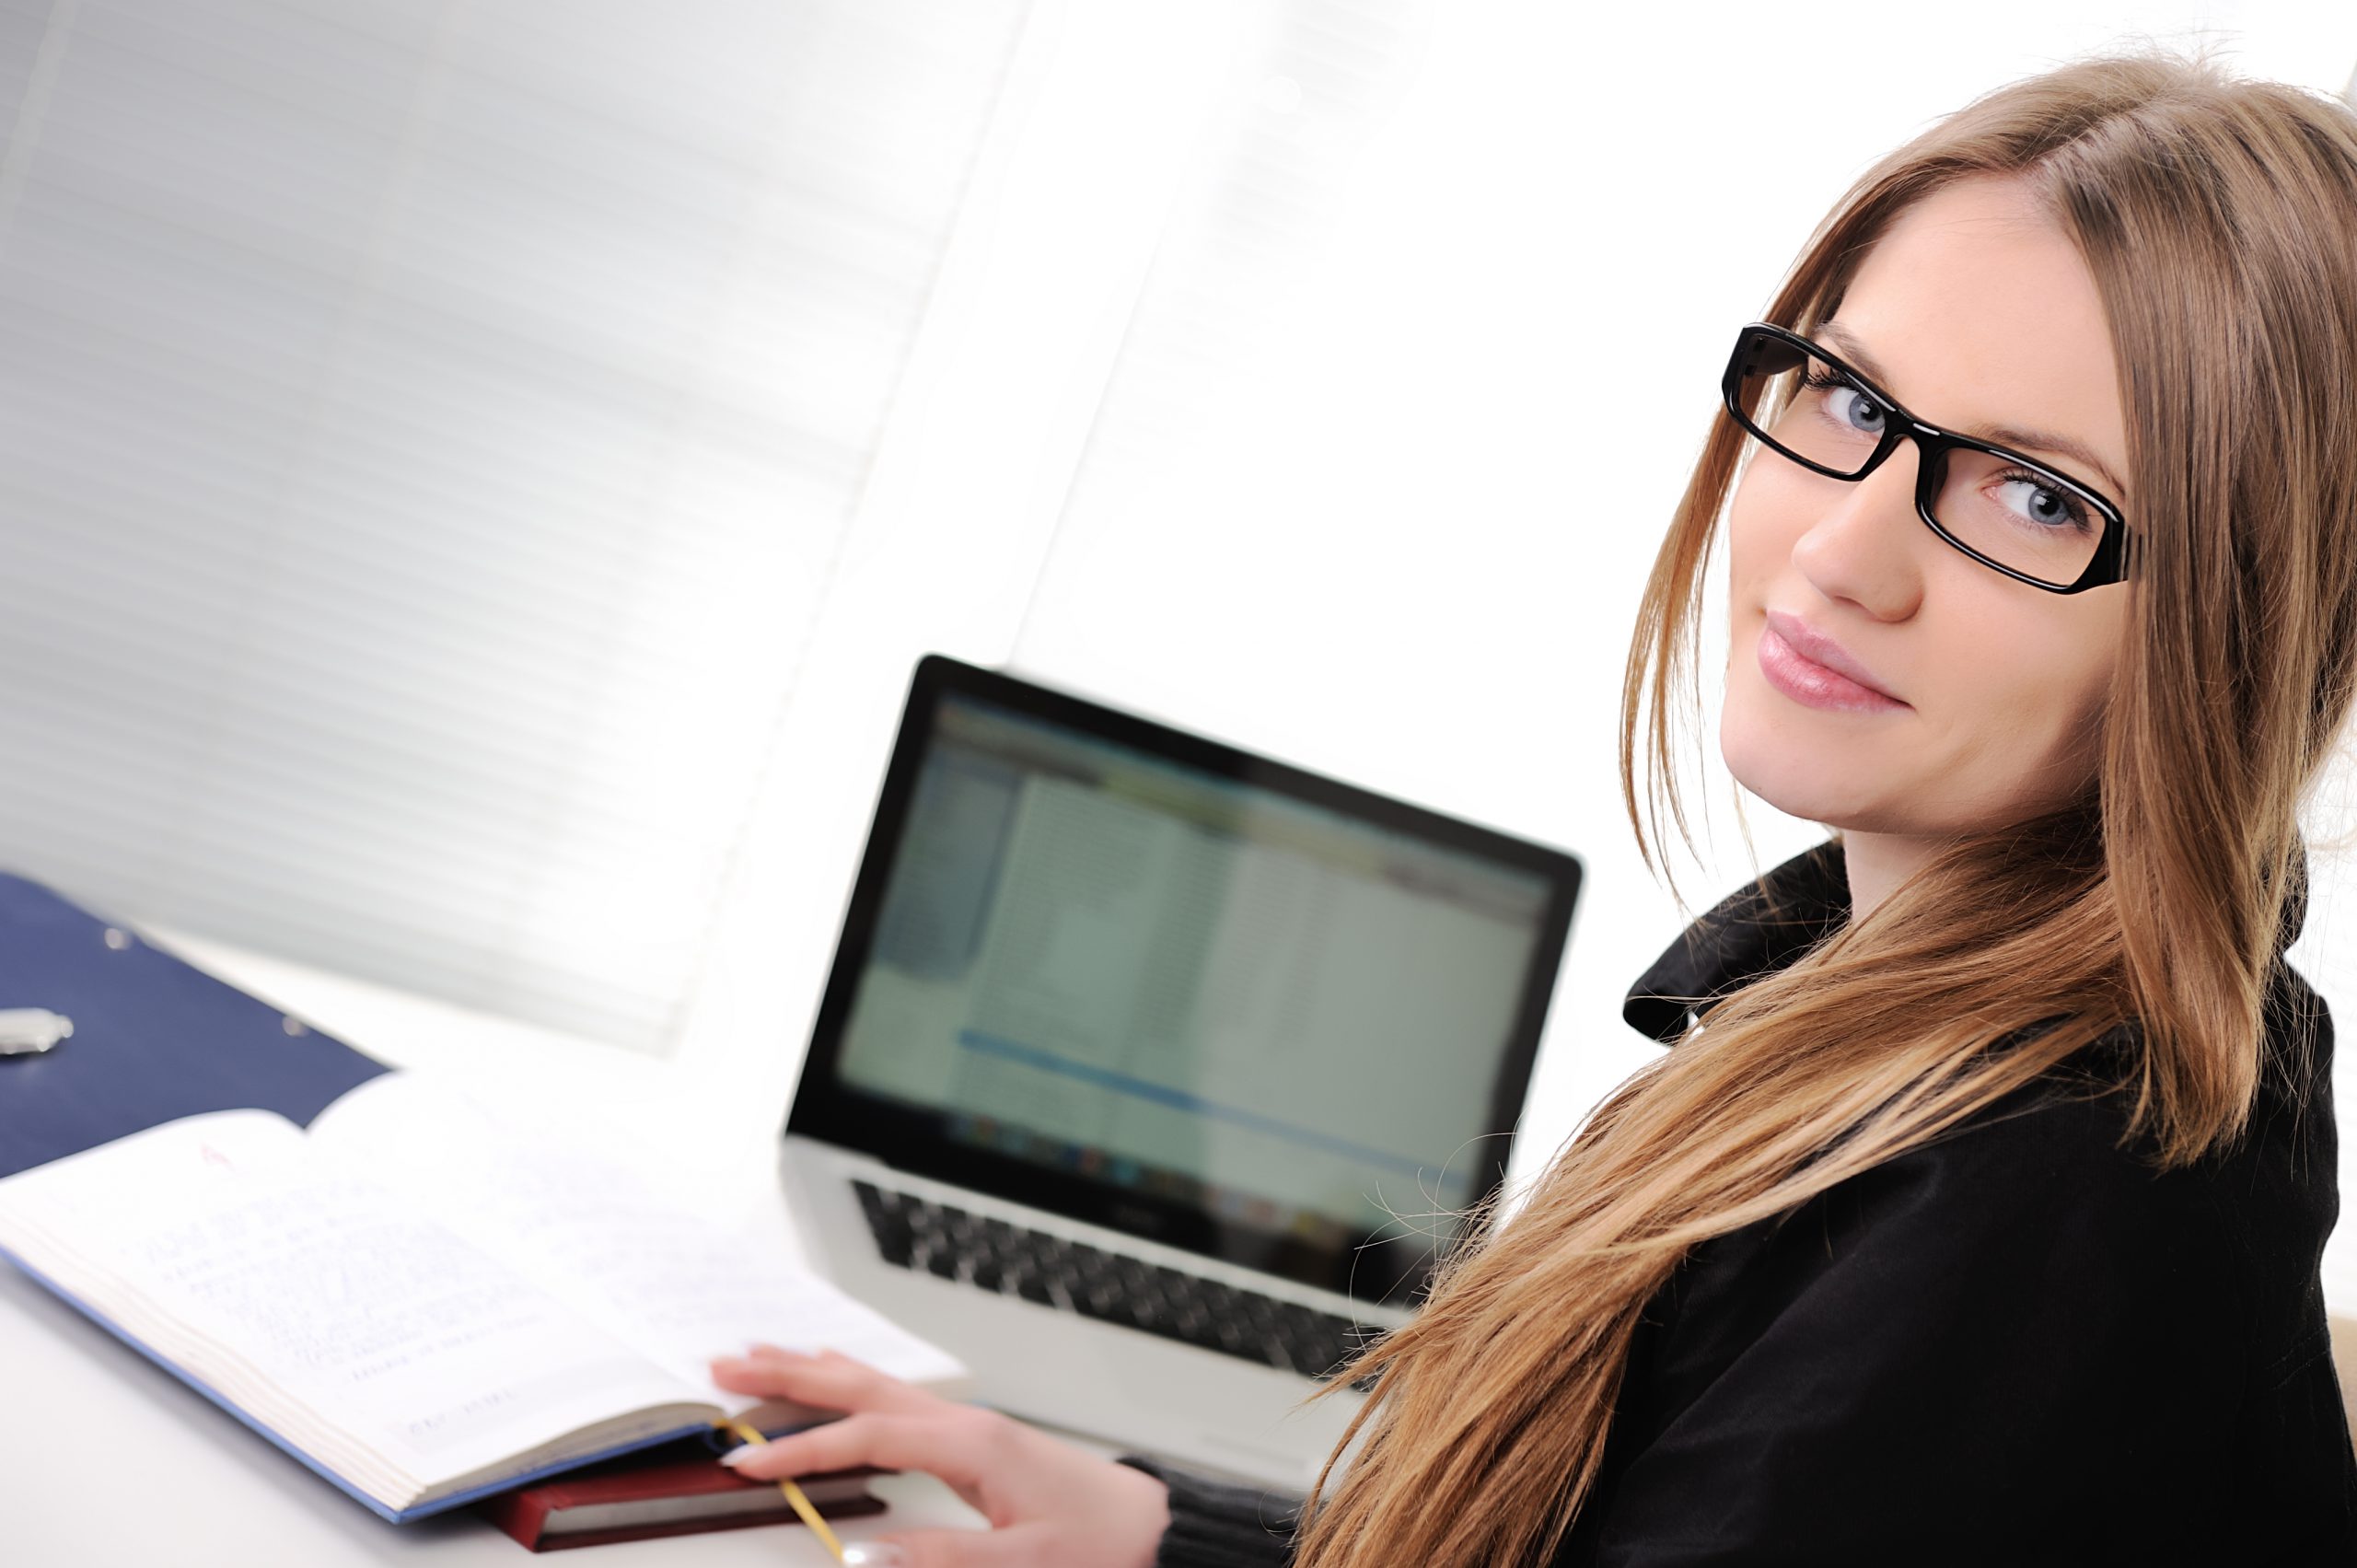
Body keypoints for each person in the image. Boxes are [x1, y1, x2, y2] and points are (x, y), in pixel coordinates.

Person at [712, 51, 2357, 1566]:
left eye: (2040, 496)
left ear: (2247, 627)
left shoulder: (2073, 1175)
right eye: (1851, 402)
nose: (1843, 554)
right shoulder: (1892, 1007)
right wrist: (1157, 1527)